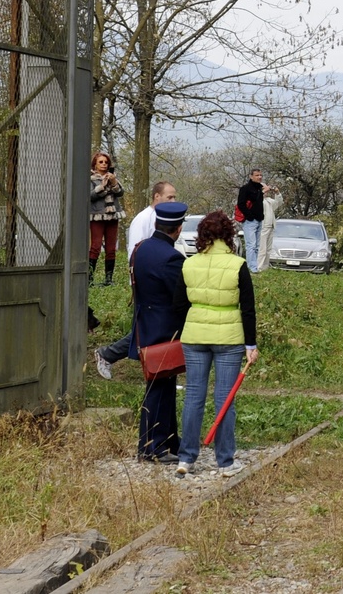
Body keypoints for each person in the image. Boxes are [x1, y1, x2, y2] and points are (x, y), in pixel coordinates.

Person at [175, 210, 258, 477]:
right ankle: (225, 462)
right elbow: (248, 308)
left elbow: (179, 305)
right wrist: (251, 344)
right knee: (225, 399)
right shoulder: (238, 265)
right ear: (229, 235)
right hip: (229, 339)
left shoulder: (189, 264)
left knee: (193, 397)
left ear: (202, 235)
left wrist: (186, 330)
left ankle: (186, 458)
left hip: (194, 337)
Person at [94, 180, 177, 380]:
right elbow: (136, 254)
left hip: (160, 281)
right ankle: (108, 354)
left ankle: (158, 369)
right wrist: (138, 283)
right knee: (146, 329)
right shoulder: (143, 219)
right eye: (170, 197)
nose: (173, 201)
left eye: (174, 197)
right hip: (148, 284)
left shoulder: (163, 218)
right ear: (157, 196)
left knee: (150, 328)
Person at [129, 201, 190, 463]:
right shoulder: (172, 258)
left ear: (157, 224)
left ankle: (169, 440)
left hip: (145, 325)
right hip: (165, 329)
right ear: (178, 228)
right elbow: (181, 297)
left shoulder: (141, 248)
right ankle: (151, 447)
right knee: (159, 388)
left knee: (163, 385)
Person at [89, 151, 127, 285]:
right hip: (97, 216)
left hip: (112, 216)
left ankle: (109, 279)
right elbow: (90, 196)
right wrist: (102, 187)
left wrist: (114, 182)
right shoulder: (91, 179)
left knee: (111, 248)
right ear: (95, 164)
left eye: (106, 162)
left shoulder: (113, 177)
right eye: (101, 162)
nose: (104, 164)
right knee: (95, 246)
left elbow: (120, 193)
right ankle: (89, 279)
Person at [236, 168, 274, 273]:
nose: (259, 177)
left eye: (260, 175)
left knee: (257, 246)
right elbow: (241, 204)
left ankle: (255, 266)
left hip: (259, 219)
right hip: (250, 221)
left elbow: (259, 202)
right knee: (251, 245)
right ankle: (251, 268)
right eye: (257, 175)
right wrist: (249, 216)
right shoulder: (245, 188)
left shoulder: (259, 188)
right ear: (251, 176)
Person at [256, 186, 284, 271]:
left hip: (271, 226)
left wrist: (277, 193)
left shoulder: (268, 200)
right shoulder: (258, 199)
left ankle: (265, 267)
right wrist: (263, 191)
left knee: (268, 250)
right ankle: (258, 267)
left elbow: (278, 203)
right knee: (262, 249)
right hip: (263, 227)